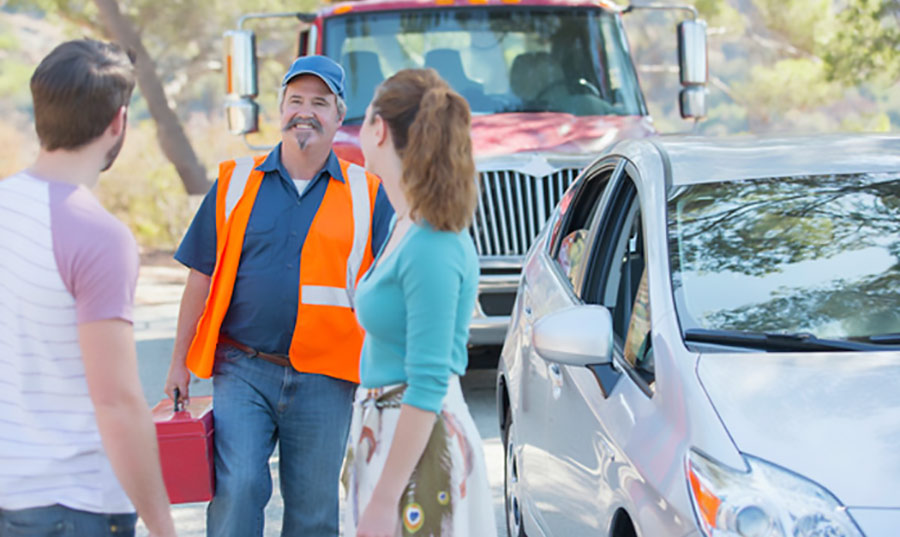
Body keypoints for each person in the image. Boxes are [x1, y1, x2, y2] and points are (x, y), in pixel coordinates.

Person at [164, 55, 393, 537]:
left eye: (318, 102)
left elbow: (391, 291)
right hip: (242, 367)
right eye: (295, 101)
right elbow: (200, 277)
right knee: (239, 488)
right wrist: (178, 362)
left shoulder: (367, 195)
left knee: (313, 511)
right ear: (280, 109)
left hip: (327, 378)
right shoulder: (233, 183)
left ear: (338, 114)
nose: (304, 112)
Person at [0, 39, 176, 537]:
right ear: (118, 122)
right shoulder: (99, 237)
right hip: (74, 506)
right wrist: (163, 525)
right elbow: (117, 403)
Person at [343, 69, 498, 537]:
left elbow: (427, 383)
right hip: (389, 440)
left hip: (419, 451)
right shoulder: (403, 226)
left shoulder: (432, 245)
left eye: (365, 114)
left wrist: (386, 498)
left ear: (379, 129)